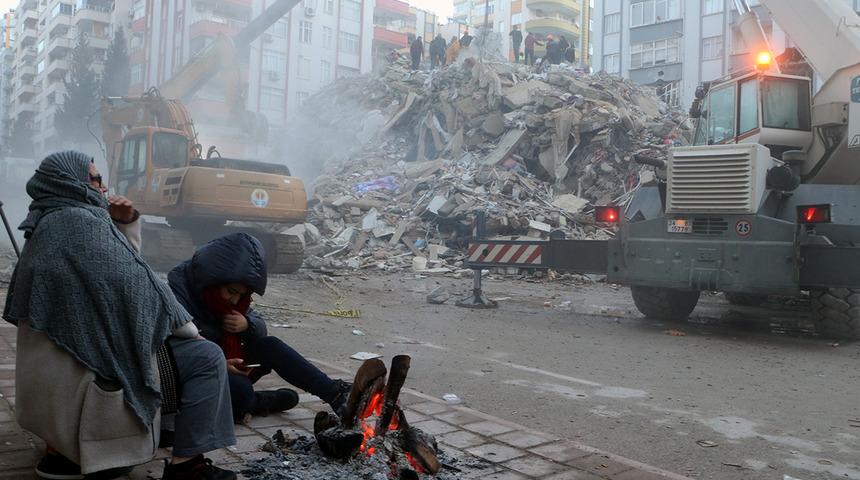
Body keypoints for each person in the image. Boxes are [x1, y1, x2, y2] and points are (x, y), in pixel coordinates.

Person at [3, 151, 237, 480]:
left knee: (175, 356)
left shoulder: (51, 218)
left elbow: (119, 272)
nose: (103, 186)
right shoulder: (80, 223)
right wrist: (187, 329)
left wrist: (125, 224)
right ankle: (188, 467)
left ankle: (137, 439)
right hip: (90, 376)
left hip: (63, 383)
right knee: (206, 356)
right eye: (96, 179)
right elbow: (139, 286)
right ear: (72, 181)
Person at [167, 233, 352, 424]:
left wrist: (247, 324)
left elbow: (259, 324)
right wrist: (218, 362)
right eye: (232, 292)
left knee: (270, 345)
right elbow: (172, 351)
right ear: (213, 280)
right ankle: (258, 402)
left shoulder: (232, 299)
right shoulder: (177, 294)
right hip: (196, 371)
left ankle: (336, 394)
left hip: (231, 364)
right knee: (240, 392)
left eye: (241, 295)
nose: (235, 300)